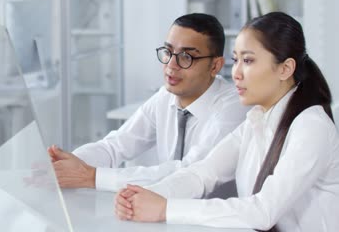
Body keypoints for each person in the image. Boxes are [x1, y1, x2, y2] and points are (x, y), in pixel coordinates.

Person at [114, 12, 339, 232]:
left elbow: (263, 211)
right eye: (236, 60)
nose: (236, 73)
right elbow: (202, 173)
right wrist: (145, 195)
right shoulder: (255, 121)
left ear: (285, 68)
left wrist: (165, 209)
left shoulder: (311, 127)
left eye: (248, 60)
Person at [48, 13, 250, 192]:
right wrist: (66, 163)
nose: (171, 65)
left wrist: (91, 176)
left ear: (215, 66)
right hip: (164, 216)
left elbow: (188, 172)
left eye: (187, 57)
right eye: (168, 52)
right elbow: (115, 146)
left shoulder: (233, 107)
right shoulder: (166, 97)